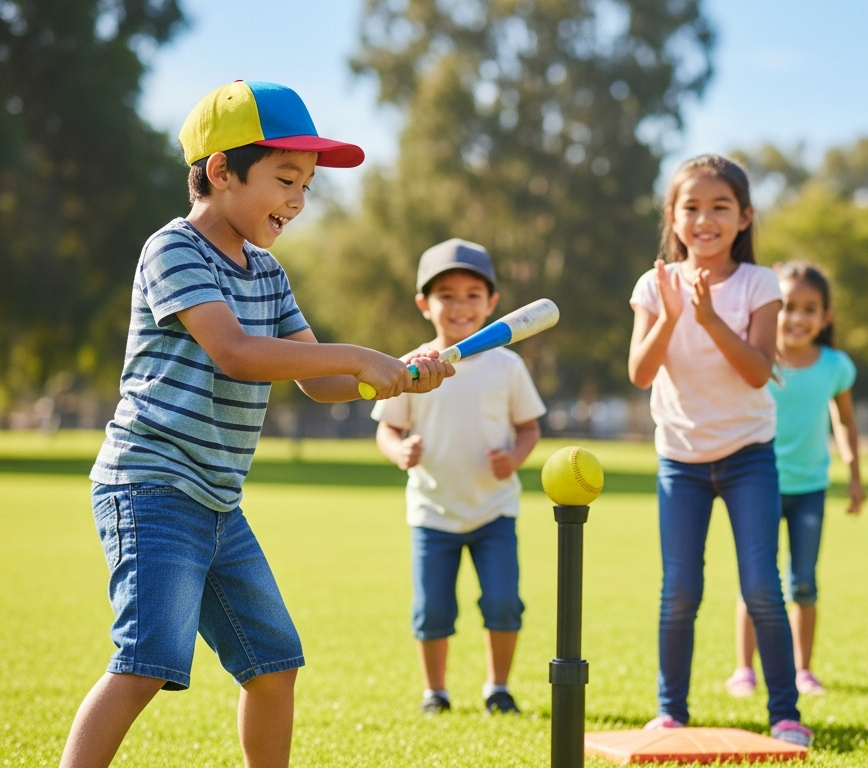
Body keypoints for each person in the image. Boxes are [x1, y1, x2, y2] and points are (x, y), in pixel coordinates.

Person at [64, 81, 453, 768]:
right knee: (145, 663)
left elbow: (316, 376)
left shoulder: (267, 274)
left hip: (217, 501)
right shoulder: (174, 250)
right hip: (151, 487)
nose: (298, 202)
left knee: (273, 664)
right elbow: (238, 354)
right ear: (220, 170)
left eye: (306, 185)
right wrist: (361, 356)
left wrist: (395, 368)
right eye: (284, 180)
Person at [627, 154, 810, 746]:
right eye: (692, 208)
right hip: (680, 459)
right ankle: (670, 710)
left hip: (747, 457)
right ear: (673, 218)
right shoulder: (654, 285)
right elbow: (639, 371)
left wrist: (707, 319)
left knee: (761, 585)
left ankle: (784, 712)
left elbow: (759, 370)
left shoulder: (760, 284)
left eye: (720, 207)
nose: (705, 219)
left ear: (744, 217)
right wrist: (672, 314)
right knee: (680, 588)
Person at [372, 239, 546, 717]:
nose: (461, 306)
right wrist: (399, 451)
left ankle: (499, 687)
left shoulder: (507, 365)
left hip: (494, 509)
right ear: (424, 304)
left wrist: (515, 457)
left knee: (504, 602)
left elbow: (529, 427)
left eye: (473, 294)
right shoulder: (412, 366)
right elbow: (388, 428)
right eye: (447, 295)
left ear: (492, 304)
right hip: (433, 511)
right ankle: (437, 692)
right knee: (432, 612)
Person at [726, 261, 865, 698]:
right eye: (786, 306)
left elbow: (844, 420)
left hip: (810, 490)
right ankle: (743, 670)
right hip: (758, 484)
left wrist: (854, 473)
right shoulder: (758, 359)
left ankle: (804, 670)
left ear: (826, 317)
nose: (797, 318)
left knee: (803, 582)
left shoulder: (835, 366)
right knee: (757, 580)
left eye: (810, 309)